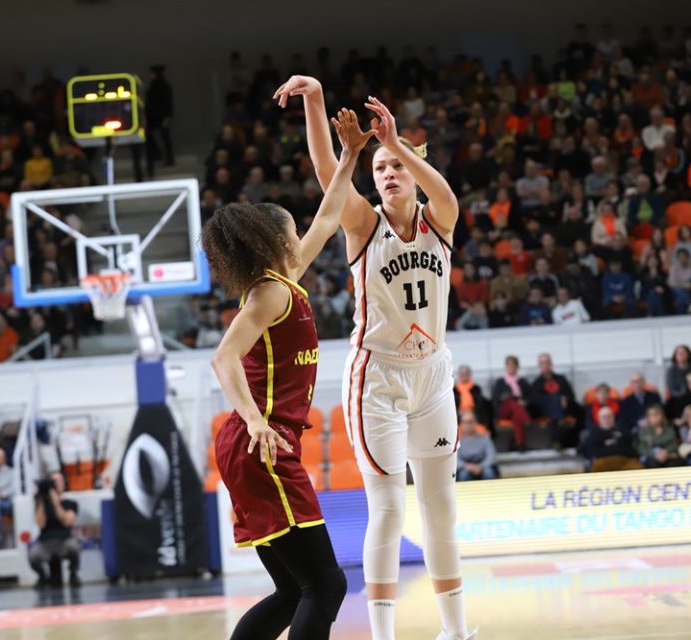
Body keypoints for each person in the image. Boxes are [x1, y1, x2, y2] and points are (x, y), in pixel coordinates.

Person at [278, 76, 473, 640]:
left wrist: (400, 143)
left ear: (414, 169)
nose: (388, 173)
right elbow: (325, 173)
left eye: (397, 166)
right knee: (388, 508)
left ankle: (456, 632)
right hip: (377, 378)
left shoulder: (440, 221)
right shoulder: (364, 224)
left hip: (433, 375)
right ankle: (384, 636)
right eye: (381, 167)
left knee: (441, 511)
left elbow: (450, 198)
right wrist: (315, 100)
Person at [202, 108, 367, 640]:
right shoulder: (270, 292)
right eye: (293, 232)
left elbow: (328, 216)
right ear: (275, 242)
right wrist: (253, 420)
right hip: (263, 442)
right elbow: (223, 358)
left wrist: (349, 159)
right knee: (326, 585)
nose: (304, 235)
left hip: (259, 445)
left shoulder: (283, 280)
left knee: (295, 589)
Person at [29, 472, 81, 587]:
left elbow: (66, 521)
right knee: (33, 555)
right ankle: (42, 576)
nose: (56, 485)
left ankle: (73, 573)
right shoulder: (41, 503)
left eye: (59, 481)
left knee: (74, 547)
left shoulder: (70, 503)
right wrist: (41, 499)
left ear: (63, 483)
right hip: (45, 542)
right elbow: (40, 524)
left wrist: (56, 502)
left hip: (64, 540)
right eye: (54, 482)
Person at [587, 406, 643, 472]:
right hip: (603, 461)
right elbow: (593, 452)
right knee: (596, 467)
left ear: (613, 417)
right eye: (604, 417)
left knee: (638, 467)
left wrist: (607, 445)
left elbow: (630, 447)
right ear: (599, 419)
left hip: (625, 460)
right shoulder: (594, 433)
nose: (607, 419)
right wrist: (616, 445)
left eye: (609, 416)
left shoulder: (622, 430)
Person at [145, 65, 174, 177]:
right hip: (155, 117)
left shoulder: (163, 87)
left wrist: (167, 116)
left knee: (165, 137)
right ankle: (159, 154)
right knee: (159, 136)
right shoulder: (156, 86)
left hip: (160, 116)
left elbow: (167, 103)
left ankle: (165, 157)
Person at [456, 411, 496, 480]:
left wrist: (481, 466)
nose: (468, 425)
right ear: (461, 424)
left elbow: (491, 456)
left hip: (483, 466)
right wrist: (467, 466)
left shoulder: (484, 438)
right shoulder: (458, 441)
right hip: (465, 467)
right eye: (465, 422)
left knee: (489, 473)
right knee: (463, 475)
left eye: (471, 421)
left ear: (475, 422)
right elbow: (455, 460)